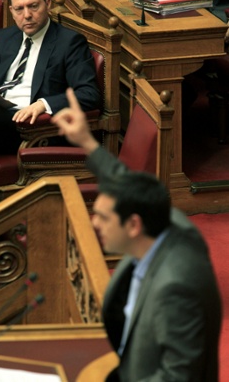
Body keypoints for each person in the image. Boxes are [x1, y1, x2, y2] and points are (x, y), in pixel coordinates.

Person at [52, 88, 222, 381]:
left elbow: (179, 376)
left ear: (133, 225)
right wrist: (86, 143)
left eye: (104, 218)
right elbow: (124, 181)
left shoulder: (177, 289)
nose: (95, 223)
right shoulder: (160, 219)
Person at [0, 0, 100, 154]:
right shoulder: (6, 37)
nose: (27, 15)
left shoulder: (69, 42)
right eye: (19, 9)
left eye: (33, 6)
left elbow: (89, 94)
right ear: (12, 11)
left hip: (31, 128)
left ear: (47, 4)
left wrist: (42, 104)